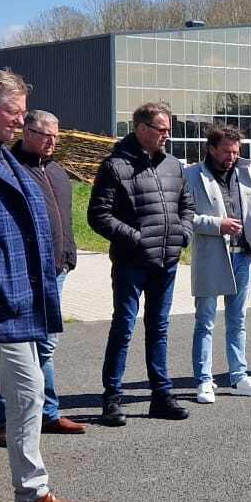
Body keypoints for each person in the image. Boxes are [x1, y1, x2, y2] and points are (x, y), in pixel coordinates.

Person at [0, 68, 87, 502]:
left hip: (21, 302)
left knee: (30, 395)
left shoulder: (3, 155)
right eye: (14, 112)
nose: (20, 121)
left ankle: (31, 493)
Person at [90, 101, 195, 421]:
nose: (167, 135)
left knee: (159, 328)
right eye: (162, 129)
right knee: (123, 327)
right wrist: (136, 238)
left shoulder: (173, 165)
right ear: (142, 129)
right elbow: (98, 215)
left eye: (168, 130)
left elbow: (186, 205)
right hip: (131, 263)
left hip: (167, 260)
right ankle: (112, 398)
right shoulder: (114, 166)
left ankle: (161, 396)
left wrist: (183, 233)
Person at [185, 124, 251, 402]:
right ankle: (204, 380)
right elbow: (184, 216)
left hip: (242, 257)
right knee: (206, 321)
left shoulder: (246, 173)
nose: (231, 157)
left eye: (236, 152)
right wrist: (217, 225)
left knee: (238, 321)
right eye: (226, 151)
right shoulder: (191, 175)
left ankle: (239, 376)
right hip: (212, 257)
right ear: (211, 149)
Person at [11, 110, 84, 433]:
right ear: (27, 132)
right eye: (45, 135)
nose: (52, 141)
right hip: (27, 271)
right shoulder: (12, 168)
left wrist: (69, 255)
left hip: (58, 268)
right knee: (19, 347)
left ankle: (48, 413)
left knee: (46, 345)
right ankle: (10, 419)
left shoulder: (56, 170)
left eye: (56, 135)